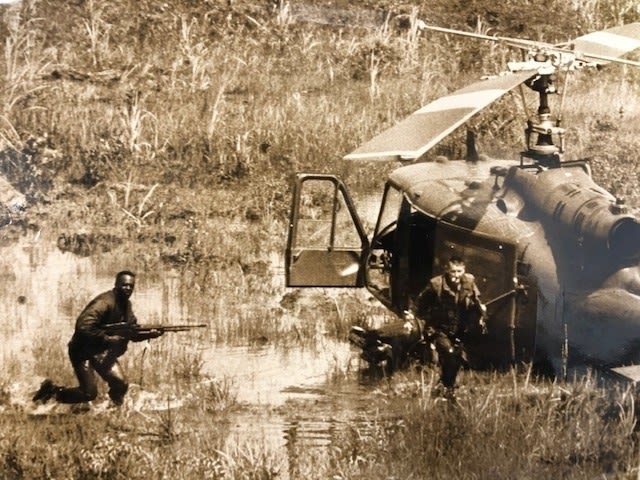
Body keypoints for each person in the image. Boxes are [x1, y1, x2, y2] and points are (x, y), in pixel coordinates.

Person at [32, 270, 163, 406]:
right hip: (82, 351)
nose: (128, 289)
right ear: (116, 285)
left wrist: (150, 334)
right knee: (88, 393)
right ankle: (53, 392)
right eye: (124, 285)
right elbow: (83, 326)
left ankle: (113, 409)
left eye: (131, 286)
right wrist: (109, 339)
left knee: (121, 384)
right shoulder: (104, 302)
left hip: (101, 352)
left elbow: (131, 332)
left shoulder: (126, 305)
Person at [413, 256, 486, 397]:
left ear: (464, 270)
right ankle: (447, 387)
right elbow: (419, 305)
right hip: (439, 329)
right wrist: (425, 323)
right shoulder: (436, 284)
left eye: (459, 271)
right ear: (447, 270)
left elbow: (476, 300)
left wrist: (480, 311)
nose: (456, 276)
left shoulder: (469, 282)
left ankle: (445, 386)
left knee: (456, 358)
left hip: (459, 330)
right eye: (453, 272)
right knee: (449, 353)